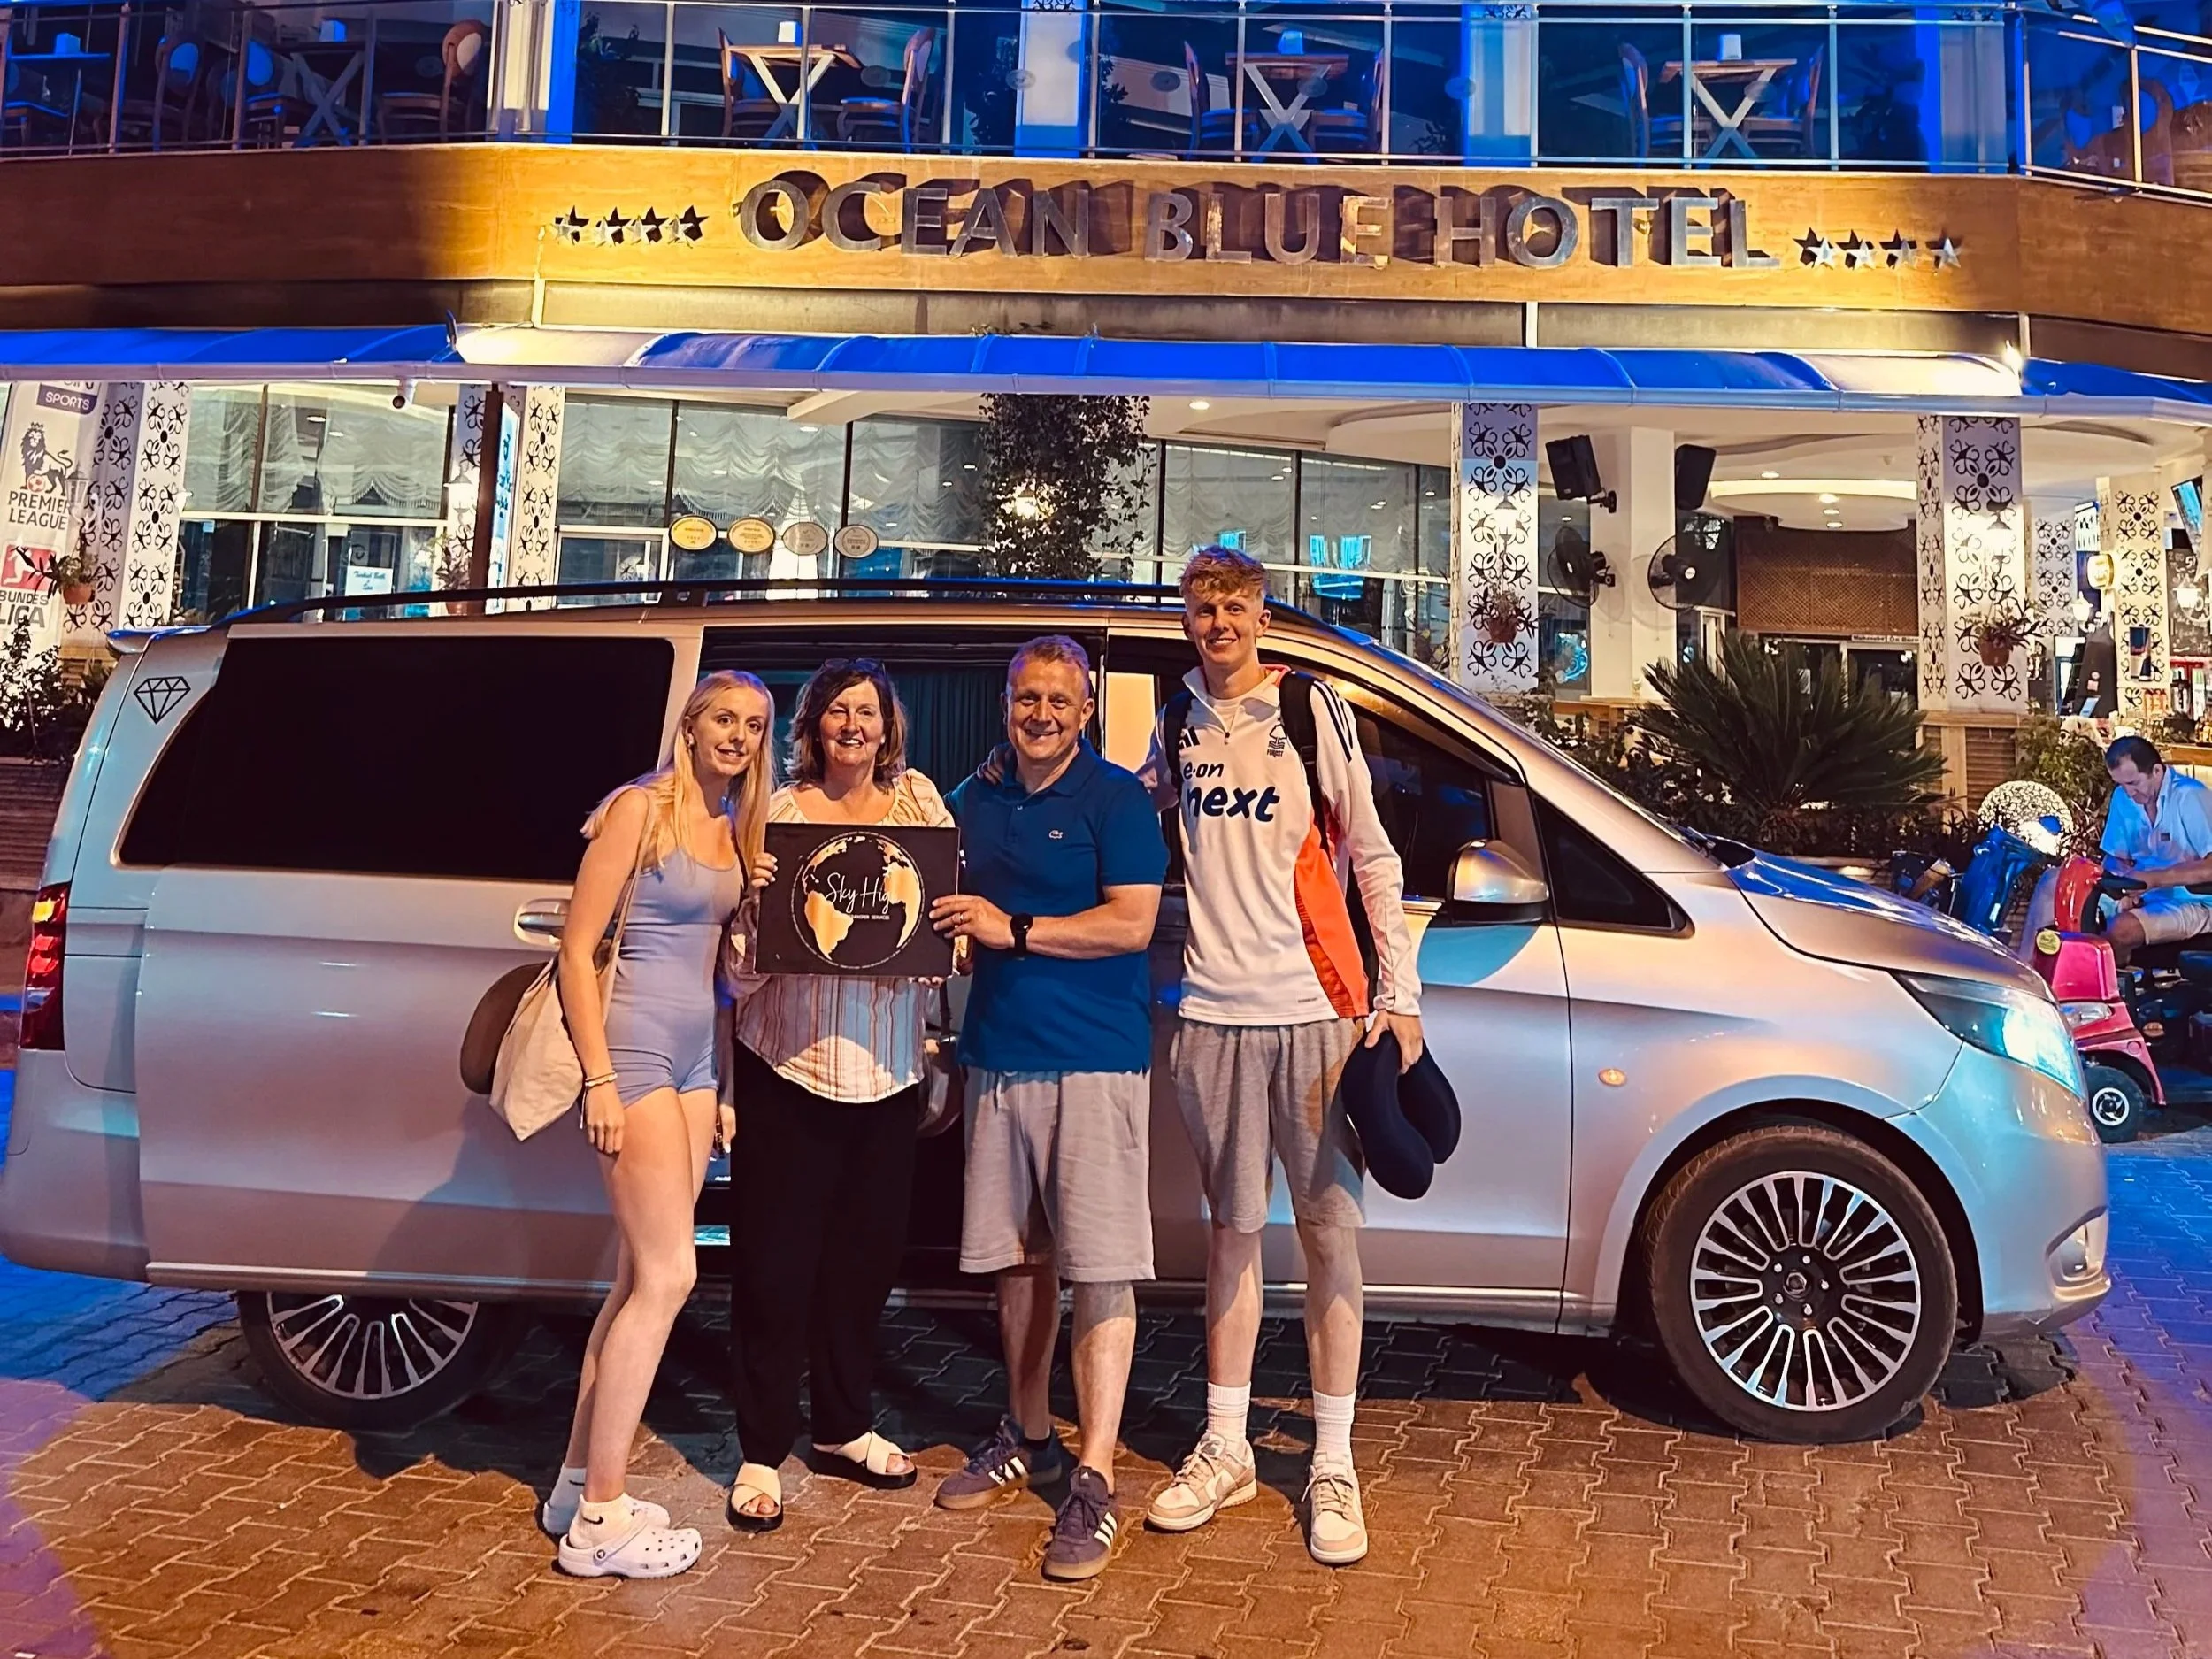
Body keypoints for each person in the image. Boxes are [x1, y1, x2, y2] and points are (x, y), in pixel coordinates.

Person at [1136, 545, 1423, 1569]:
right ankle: (1226, 1444)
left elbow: (1373, 854)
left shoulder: (1308, 709)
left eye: (1234, 607)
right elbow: (1128, 819)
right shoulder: (1175, 721)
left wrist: (1399, 997)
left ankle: (1332, 1461)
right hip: (1210, 1016)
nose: (1218, 624)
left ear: (1260, 615)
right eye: (1202, 608)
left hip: (1315, 1010)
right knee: (1229, 1236)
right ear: (1186, 619)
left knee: (1329, 1237)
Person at [927, 636, 1167, 1583]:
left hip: (1094, 1060)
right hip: (998, 1055)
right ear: (1006, 703)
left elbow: (1132, 922)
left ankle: (1095, 1477)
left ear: (1086, 708)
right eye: (1027, 698)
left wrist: (1012, 928)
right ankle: (1026, 1432)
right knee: (1019, 1262)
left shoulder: (1115, 799)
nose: (1041, 714)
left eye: (1059, 701)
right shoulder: (974, 797)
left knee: (1100, 1268)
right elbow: (928, 887)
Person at [549, 670, 776, 1579]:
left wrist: (724, 1084)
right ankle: (601, 1522)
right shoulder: (638, 810)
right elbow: (575, 950)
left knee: (635, 1278)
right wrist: (599, 1080)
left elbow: (719, 974)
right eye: (723, 718)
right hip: (634, 1056)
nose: (738, 735)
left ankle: (575, 1485)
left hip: (693, 1067)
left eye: (753, 724)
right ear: (690, 725)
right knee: (671, 1275)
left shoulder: (733, 826)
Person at [725, 658, 954, 1531]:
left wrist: (946, 950)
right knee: (774, 1267)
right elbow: (735, 970)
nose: (853, 726)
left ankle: (843, 1425)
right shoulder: (776, 815)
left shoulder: (920, 807)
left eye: (867, 712)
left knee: (864, 1264)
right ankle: (760, 1448)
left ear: (888, 727)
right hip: (787, 1065)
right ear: (813, 726)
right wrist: (753, 916)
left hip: (887, 1073)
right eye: (837, 712)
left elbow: (943, 923)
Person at [2101, 733, 2212, 964]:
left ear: (2157, 771)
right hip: (2143, 895)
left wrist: (2153, 879)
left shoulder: (2190, 796)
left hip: (2194, 901)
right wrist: (2125, 883)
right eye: (2121, 784)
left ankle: (2113, 983)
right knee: (2053, 886)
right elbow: (2113, 858)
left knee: (2121, 930)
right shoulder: (2123, 798)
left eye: (2133, 783)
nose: (2128, 793)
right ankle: (2031, 978)